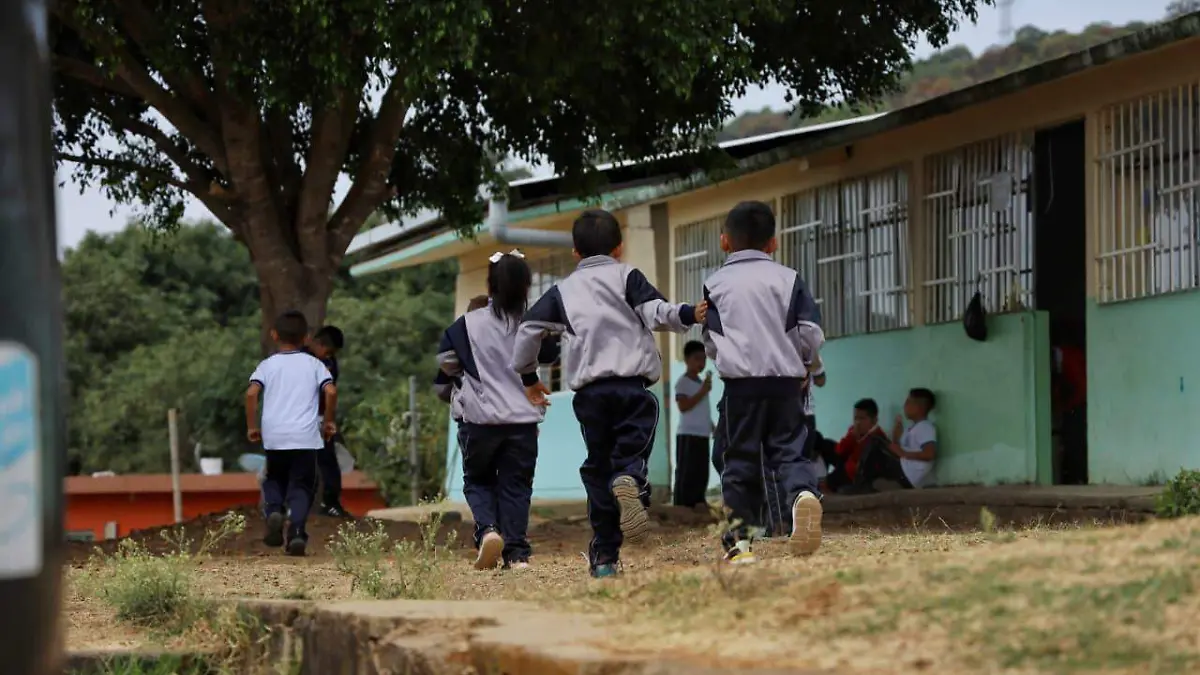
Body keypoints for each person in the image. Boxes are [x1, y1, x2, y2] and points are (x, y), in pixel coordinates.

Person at [511, 209, 704, 579]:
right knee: (630, 453)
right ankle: (630, 478)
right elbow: (657, 312)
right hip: (633, 389)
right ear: (619, 247)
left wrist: (528, 377)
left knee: (599, 468)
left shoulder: (561, 291)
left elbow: (527, 330)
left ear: (574, 253)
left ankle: (604, 560)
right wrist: (690, 314)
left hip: (590, 396)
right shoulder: (626, 275)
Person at [702, 200, 824, 565]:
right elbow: (811, 332)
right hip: (786, 382)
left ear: (725, 241)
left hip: (741, 386)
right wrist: (807, 365)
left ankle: (740, 544)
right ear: (774, 243)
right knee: (790, 449)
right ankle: (803, 494)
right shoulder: (789, 279)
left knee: (739, 460)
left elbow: (710, 340)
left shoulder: (716, 284)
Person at [438, 252, 559, 571]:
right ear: (525, 287)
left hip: (480, 420)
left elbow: (446, 363)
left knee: (478, 480)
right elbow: (549, 356)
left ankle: (489, 529)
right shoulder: (534, 323)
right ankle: (517, 554)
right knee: (516, 485)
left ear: (490, 286)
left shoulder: (466, 325)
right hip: (522, 422)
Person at [245, 310, 336, 556]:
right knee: (302, 486)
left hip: (275, 435)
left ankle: (274, 509)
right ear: (306, 337)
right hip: (305, 436)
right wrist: (328, 422)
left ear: (274, 335)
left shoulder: (267, 365)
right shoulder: (315, 364)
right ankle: (296, 532)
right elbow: (331, 392)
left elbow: (252, 393)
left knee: (274, 478)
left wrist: (252, 426)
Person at [854, 388, 938, 491]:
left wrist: (903, 453)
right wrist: (896, 437)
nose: (904, 406)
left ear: (919, 407)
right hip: (902, 471)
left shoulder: (925, 427)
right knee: (874, 459)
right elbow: (897, 453)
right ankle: (863, 485)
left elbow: (930, 454)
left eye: (908, 402)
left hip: (907, 475)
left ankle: (858, 485)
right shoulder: (910, 428)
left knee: (876, 440)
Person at [307, 325, 350, 518]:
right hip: (299, 418)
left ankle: (330, 502)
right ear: (317, 343)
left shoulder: (329, 364)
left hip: (320, 417)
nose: (328, 356)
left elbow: (330, 393)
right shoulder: (301, 358)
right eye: (327, 351)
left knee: (328, 462)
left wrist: (329, 420)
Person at [674, 340, 714, 508]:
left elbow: (703, 411)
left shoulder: (700, 383)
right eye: (697, 358)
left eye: (704, 359)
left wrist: (713, 427)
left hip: (702, 433)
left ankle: (698, 499)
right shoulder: (683, 382)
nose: (701, 363)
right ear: (687, 360)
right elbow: (683, 406)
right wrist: (703, 391)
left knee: (701, 470)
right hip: (688, 434)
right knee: (687, 470)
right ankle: (683, 503)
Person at [823, 398, 888, 494]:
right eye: (855, 418)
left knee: (833, 478)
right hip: (846, 463)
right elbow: (840, 450)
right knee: (825, 444)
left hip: (856, 472)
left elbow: (861, 462)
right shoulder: (854, 430)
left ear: (874, 420)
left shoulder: (877, 437)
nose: (857, 422)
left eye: (862, 419)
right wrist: (852, 437)